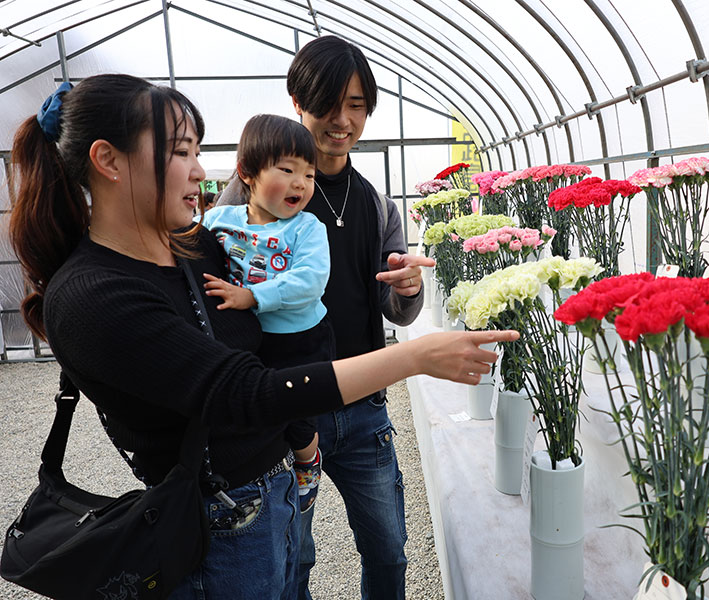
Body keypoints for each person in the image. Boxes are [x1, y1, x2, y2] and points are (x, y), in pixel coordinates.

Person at [8, 74, 516, 600]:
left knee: (368, 553)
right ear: (109, 161)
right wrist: (414, 357)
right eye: (181, 152)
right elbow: (244, 391)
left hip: (274, 489)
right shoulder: (94, 296)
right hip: (219, 528)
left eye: (198, 151)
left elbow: (271, 336)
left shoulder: (197, 248)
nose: (200, 171)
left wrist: (300, 438)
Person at [218, 35, 434, 599]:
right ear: (298, 99)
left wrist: (408, 287)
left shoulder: (375, 202)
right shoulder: (248, 197)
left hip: (363, 408)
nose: (342, 120)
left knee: (388, 547)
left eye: (357, 106)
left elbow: (395, 310)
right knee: (292, 555)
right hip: (285, 407)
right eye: (329, 104)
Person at [198, 114, 332, 512]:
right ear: (247, 173)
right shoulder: (218, 221)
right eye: (287, 169)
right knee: (259, 409)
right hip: (248, 338)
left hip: (299, 340)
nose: (300, 183)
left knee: (298, 415)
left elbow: (311, 280)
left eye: (309, 175)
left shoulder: (307, 228)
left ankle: (309, 460)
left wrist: (252, 297)